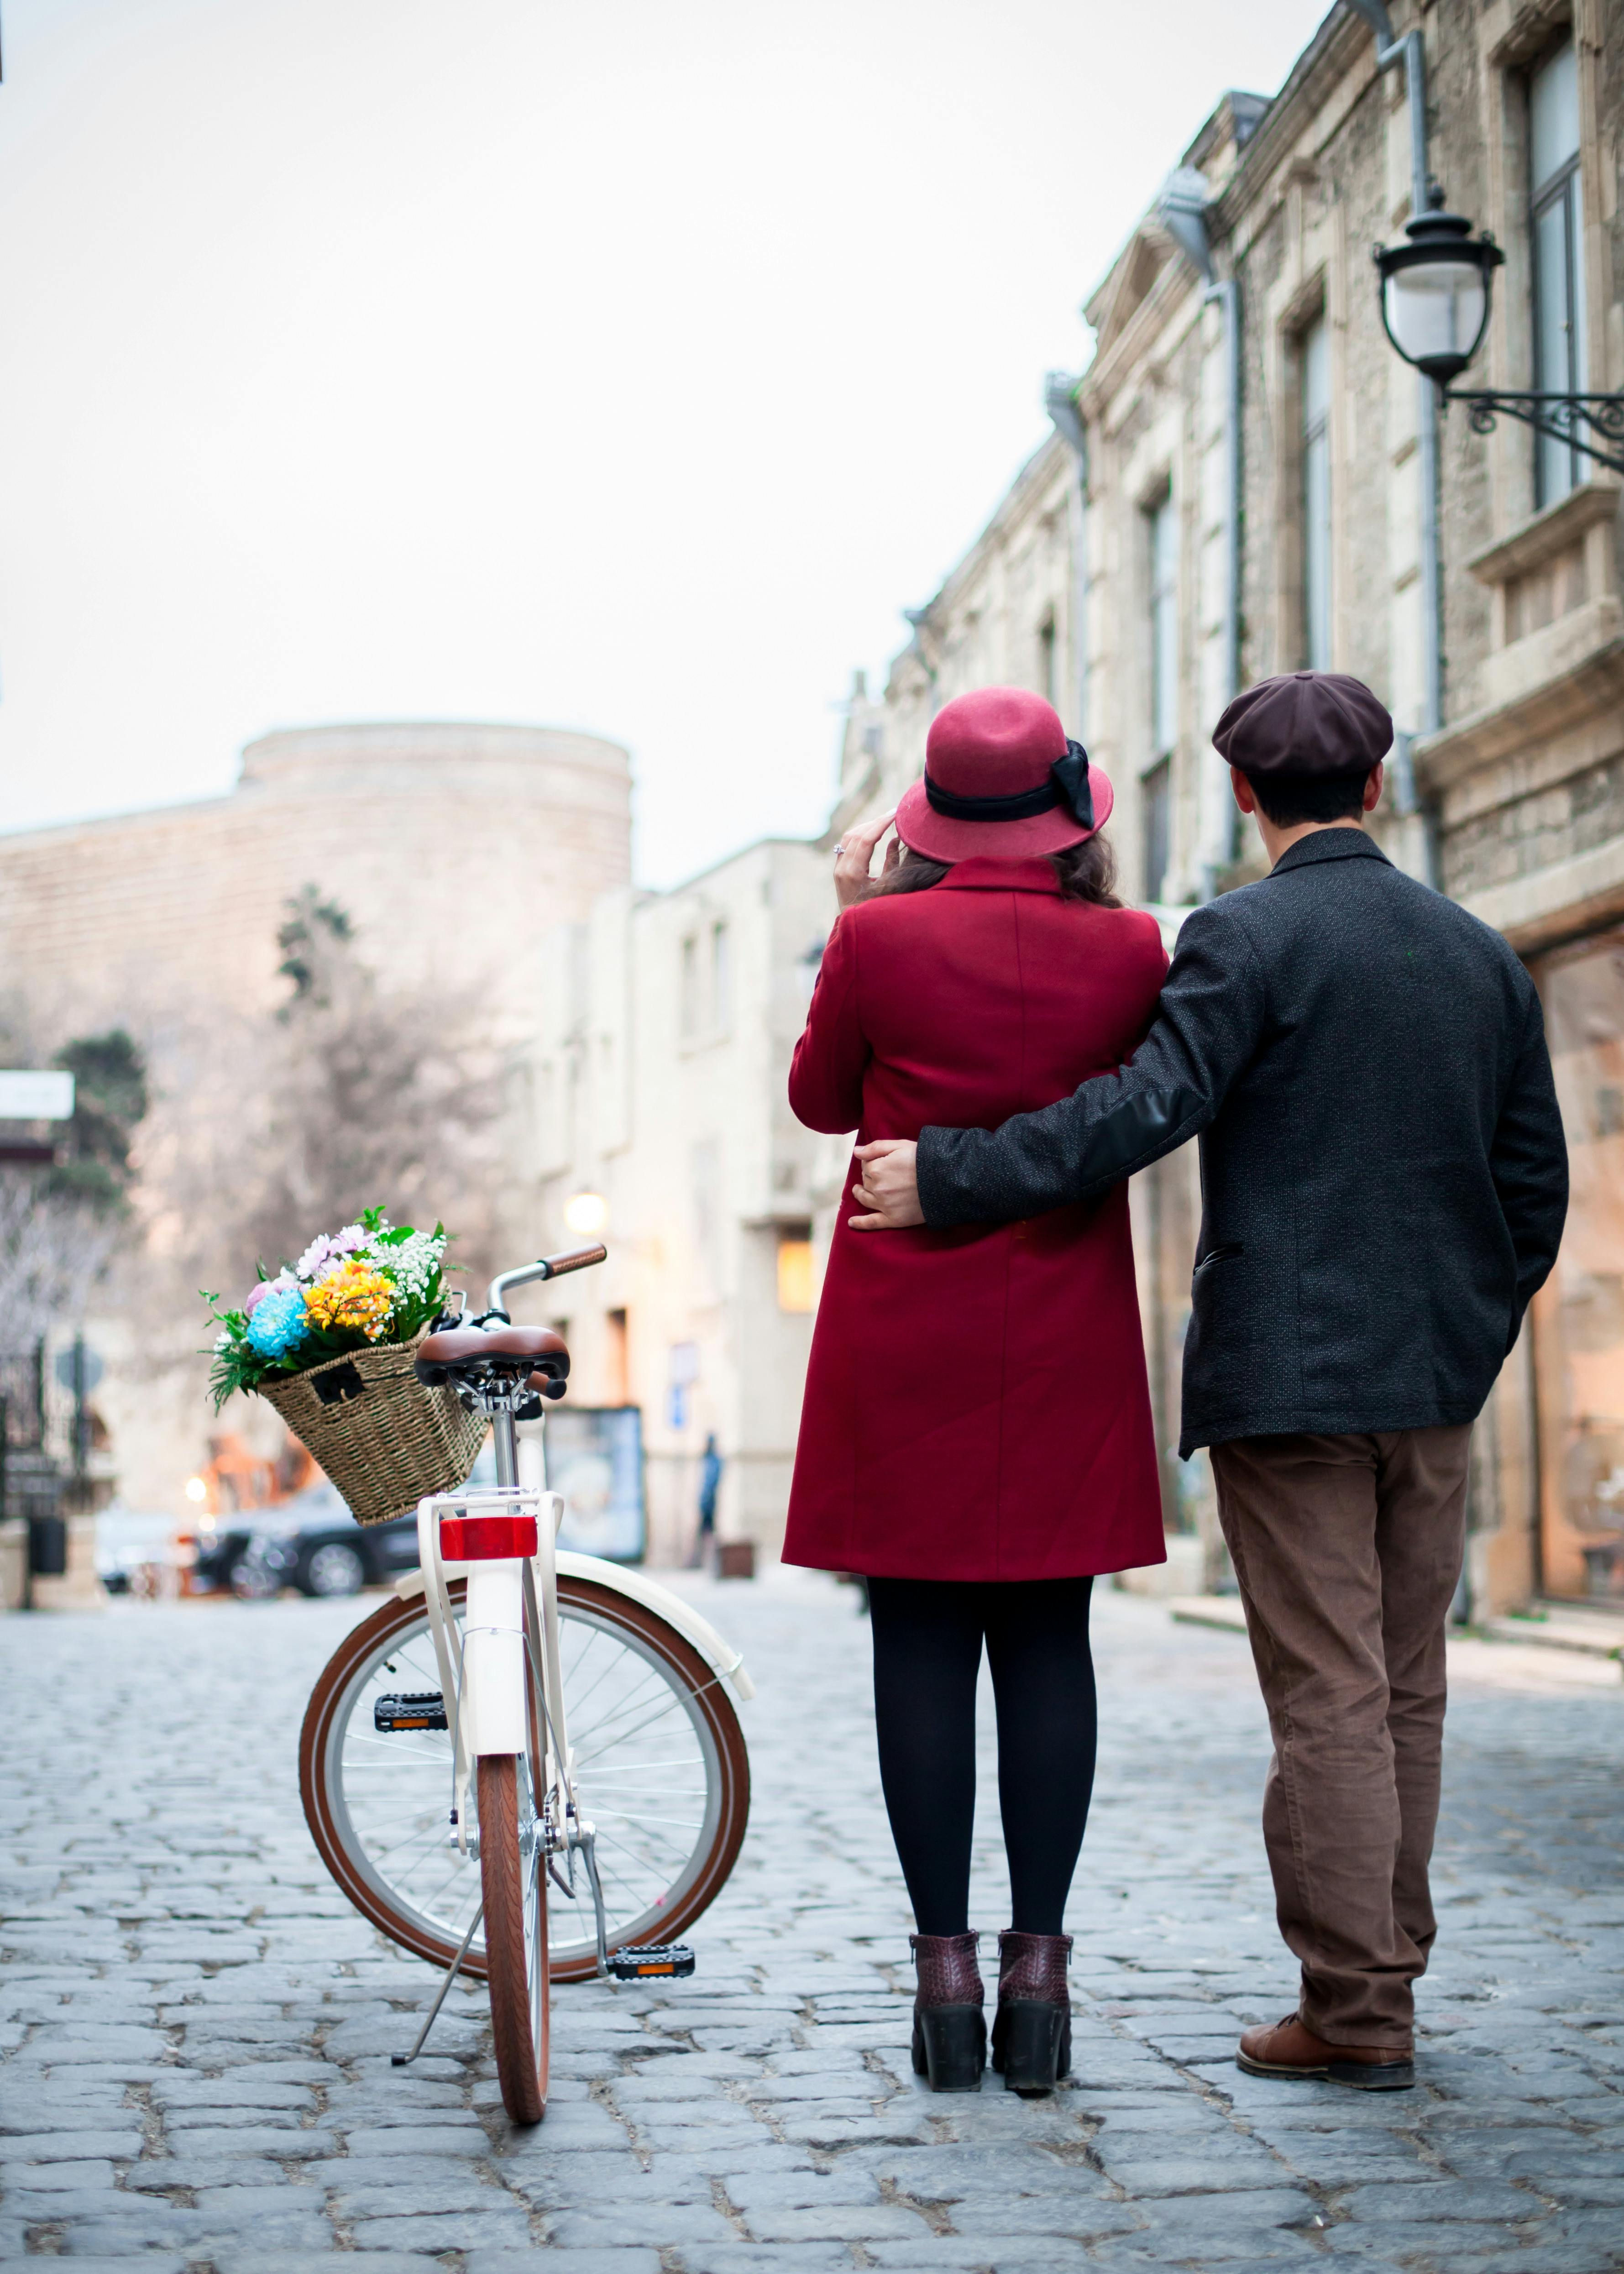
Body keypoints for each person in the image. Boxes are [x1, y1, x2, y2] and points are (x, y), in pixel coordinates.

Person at [847, 669, 1569, 2092]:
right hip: (1437, 1380)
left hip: (1289, 1378)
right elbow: (1533, 1180)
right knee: (1406, 1690)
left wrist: (949, 1172)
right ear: (1377, 784)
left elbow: (1140, 1113)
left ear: (1245, 795)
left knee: (1330, 1694)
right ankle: (1380, 1979)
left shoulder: (1243, 939)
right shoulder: (1481, 952)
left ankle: (1359, 2007)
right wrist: (1471, 1330)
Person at [783, 684, 1169, 2095]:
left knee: (920, 1648)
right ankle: (1041, 1982)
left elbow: (823, 1102)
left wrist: (845, 914)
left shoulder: (878, 941)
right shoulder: (1132, 949)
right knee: (1051, 1645)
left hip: (906, 1330)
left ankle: (944, 1983)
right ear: (1068, 817)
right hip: (1062, 1326)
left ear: (928, 819)